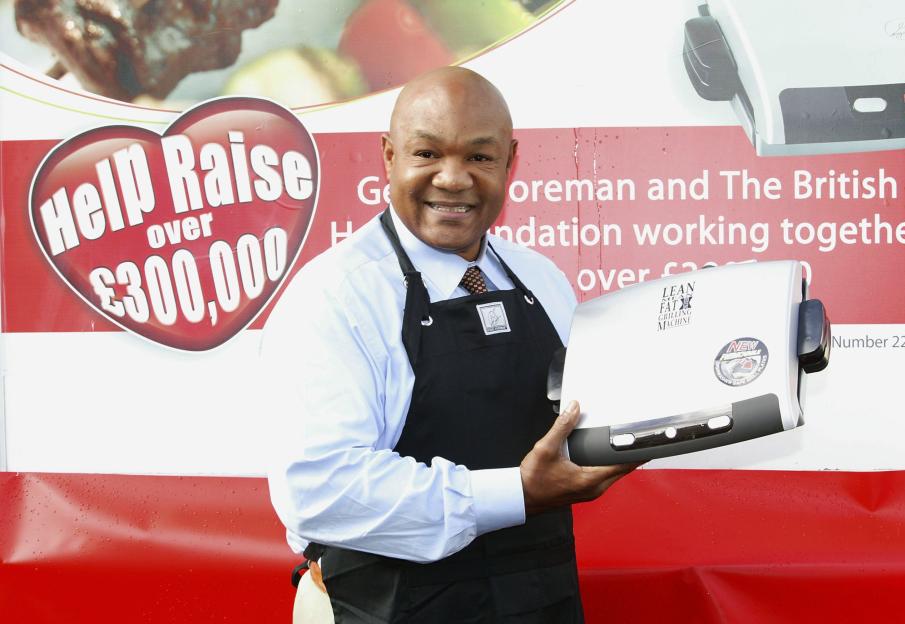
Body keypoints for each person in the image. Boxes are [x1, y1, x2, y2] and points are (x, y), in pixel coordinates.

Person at [264, 66, 639, 623]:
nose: (453, 178)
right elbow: (322, 488)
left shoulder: (542, 279)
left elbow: (585, 422)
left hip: (539, 601)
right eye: (428, 154)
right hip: (381, 607)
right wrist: (516, 493)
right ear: (389, 156)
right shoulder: (337, 295)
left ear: (511, 161)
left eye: (479, 158)